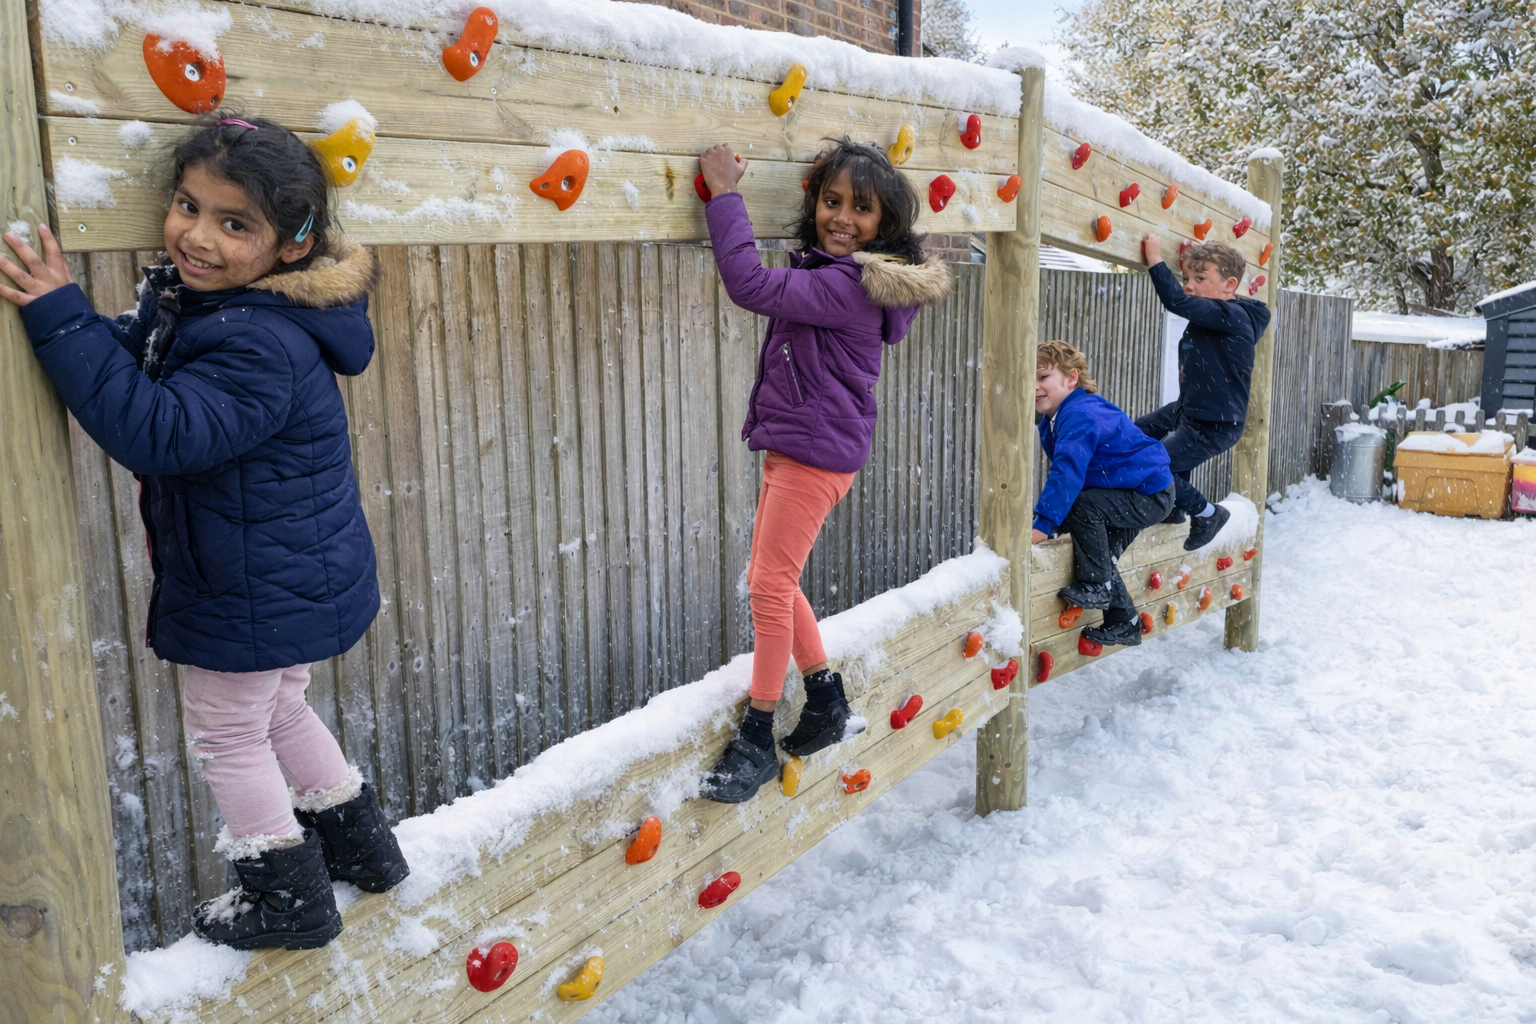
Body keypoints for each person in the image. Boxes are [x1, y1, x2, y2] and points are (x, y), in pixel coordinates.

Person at [0, 116, 407, 951]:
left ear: (291, 247)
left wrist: (61, 319)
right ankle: (365, 851)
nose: (197, 235)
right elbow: (151, 364)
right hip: (288, 570)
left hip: (253, 583)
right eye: (189, 205)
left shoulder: (256, 338)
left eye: (234, 224)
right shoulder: (237, 311)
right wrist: (90, 329)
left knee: (228, 732)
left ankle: (289, 900)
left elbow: (157, 429)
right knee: (280, 709)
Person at [695, 137, 951, 802]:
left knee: (767, 590)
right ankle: (825, 696)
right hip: (807, 447)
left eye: (861, 208)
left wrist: (725, 194)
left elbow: (748, 284)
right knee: (774, 579)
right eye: (832, 201)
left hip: (813, 454)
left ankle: (757, 733)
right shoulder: (843, 275)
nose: (842, 216)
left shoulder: (844, 285)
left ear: (884, 224)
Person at [1031, 341, 1176, 648]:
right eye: (1027, 379)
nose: (1034, 386)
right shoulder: (1055, 417)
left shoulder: (1079, 415)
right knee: (1099, 551)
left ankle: (1097, 586)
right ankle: (1125, 622)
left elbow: (1068, 472)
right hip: (1130, 490)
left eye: (1042, 377)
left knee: (1083, 507)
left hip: (1149, 492)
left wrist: (1043, 524)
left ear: (1071, 379)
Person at [1138, 235, 1272, 550]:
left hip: (1215, 421)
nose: (1188, 285)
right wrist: (1197, 257)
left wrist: (1156, 260)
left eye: (1200, 278)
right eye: (1185, 278)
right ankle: (1173, 507)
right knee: (1133, 436)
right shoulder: (1215, 315)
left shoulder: (1233, 316)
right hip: (1190, 409)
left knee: (1153, 462)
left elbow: (1176, 302)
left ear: (1230, 285)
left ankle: (1208, 514)